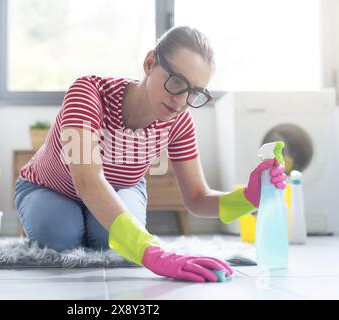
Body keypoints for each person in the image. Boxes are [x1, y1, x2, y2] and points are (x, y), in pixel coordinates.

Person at [14, 26, 286, 282]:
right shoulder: (88, 93)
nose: (181, 100)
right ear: (149, 63)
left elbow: (196, 197)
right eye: (177, 81)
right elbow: (88, 181)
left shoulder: (179, 120)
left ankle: (94, 225)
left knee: (113, 245)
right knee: (60, 238)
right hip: (49, 187)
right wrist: (152, 252)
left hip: (123, 188)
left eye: (194, 92)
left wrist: (248, 198)